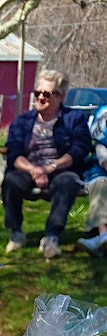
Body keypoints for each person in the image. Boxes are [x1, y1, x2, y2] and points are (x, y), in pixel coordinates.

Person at [1, 69, 93, 259]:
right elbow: (14, 151)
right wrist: (34, 169)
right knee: (11, 181)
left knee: (67, 183)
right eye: (38, 93)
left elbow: (79, 149)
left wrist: (50, 167)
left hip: (61, 169)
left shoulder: (74, 119)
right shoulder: (23, 121)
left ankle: (52, 236)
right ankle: (16, 232)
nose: (41, 98)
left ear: (61, 97)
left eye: (47, 94)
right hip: (28, 168)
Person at [78, 104, 107, 256]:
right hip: (100, 169)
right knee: (101, 184)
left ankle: (99, 241)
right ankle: (103, 235)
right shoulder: (104, 114)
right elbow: (100, 148)